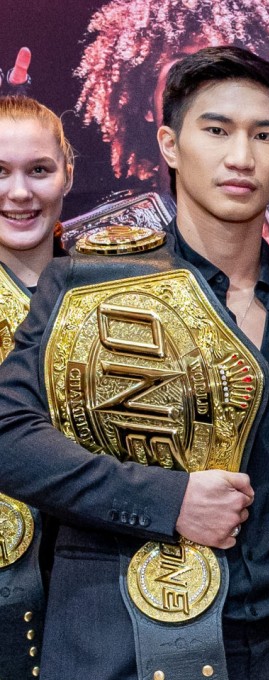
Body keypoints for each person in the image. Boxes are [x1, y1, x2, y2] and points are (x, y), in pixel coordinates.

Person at [0, 46, 269, 680]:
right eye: (216, 130)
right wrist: (169, 500)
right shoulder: (89, 283)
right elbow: (9, 437)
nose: (241, 156)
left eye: (264, 135)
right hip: (131, 644)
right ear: (171, 144)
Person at [73, 0, 269, 316]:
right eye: (189, 70)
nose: (217, 88)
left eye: (236, 67)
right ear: (147, 100)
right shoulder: (99, 251)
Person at [0, 94, 74, 678]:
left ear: (67, 172)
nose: (20, 193)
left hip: (99, 586)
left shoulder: (121, 289)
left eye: (38, 170)